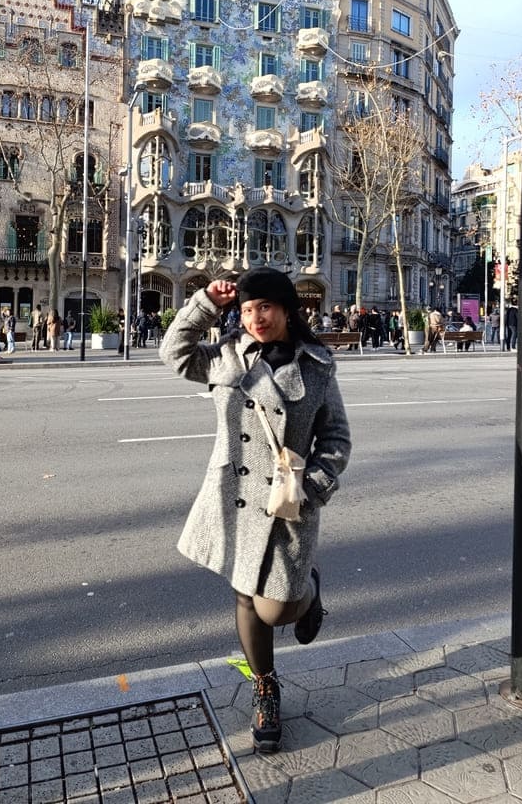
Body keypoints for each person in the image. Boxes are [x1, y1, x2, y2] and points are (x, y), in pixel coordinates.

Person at [160, 268, 351, 754]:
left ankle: (309, 588)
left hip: (289, 505)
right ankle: (265, 687)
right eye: (246, 310)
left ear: (288, 308)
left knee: (278, 607)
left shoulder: (317, 365)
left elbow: (335, 438)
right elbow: (174, 354)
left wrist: (313, 487)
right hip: (236, 498)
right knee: (247, 597)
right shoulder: (227, 354)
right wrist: (205, 301)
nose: (255, 318)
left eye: (264, 306)